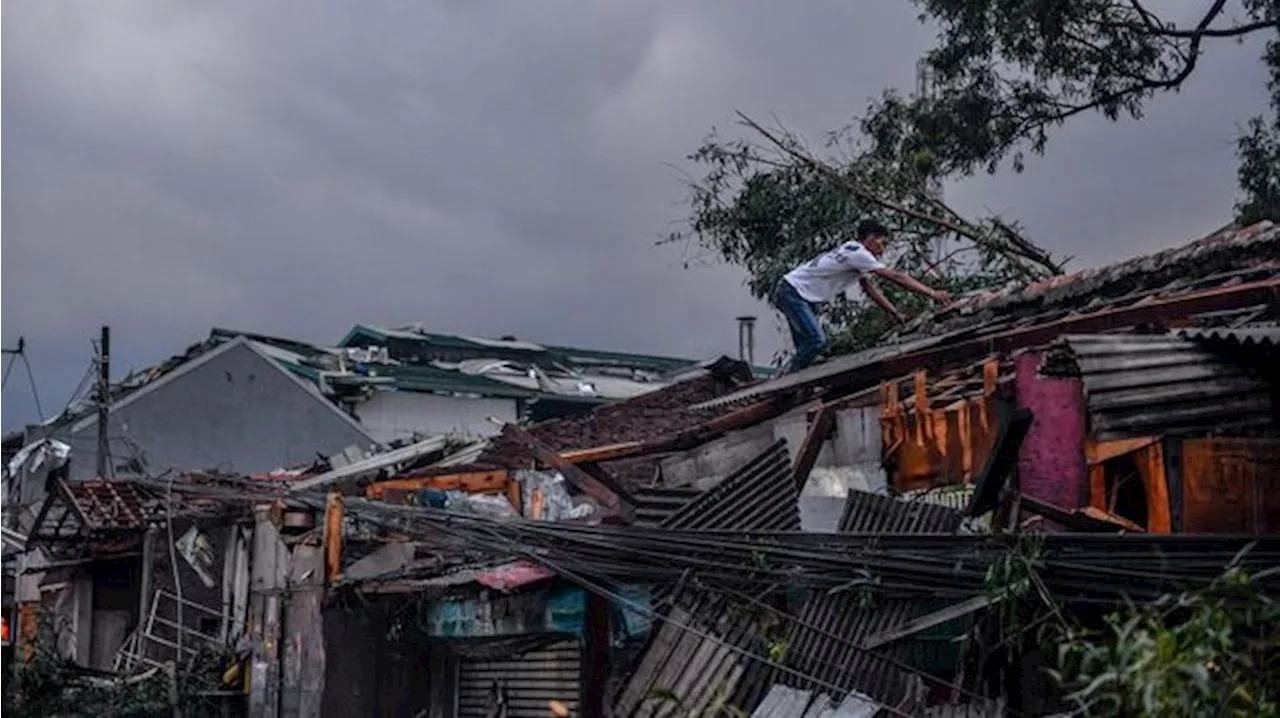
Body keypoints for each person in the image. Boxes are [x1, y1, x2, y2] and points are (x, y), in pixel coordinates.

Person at [771, 219, 952, 373]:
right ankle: (785, 383)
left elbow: (869, 288)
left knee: (806, 349)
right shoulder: (860, 254)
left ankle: (791, 382)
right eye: (882, 242)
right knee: (816, 342)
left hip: (798, 292)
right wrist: (932, 293)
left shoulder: (852, 250)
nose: (883, 248)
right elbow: (897, 276)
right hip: (795, 292)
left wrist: (893, 312)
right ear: (871, 238)